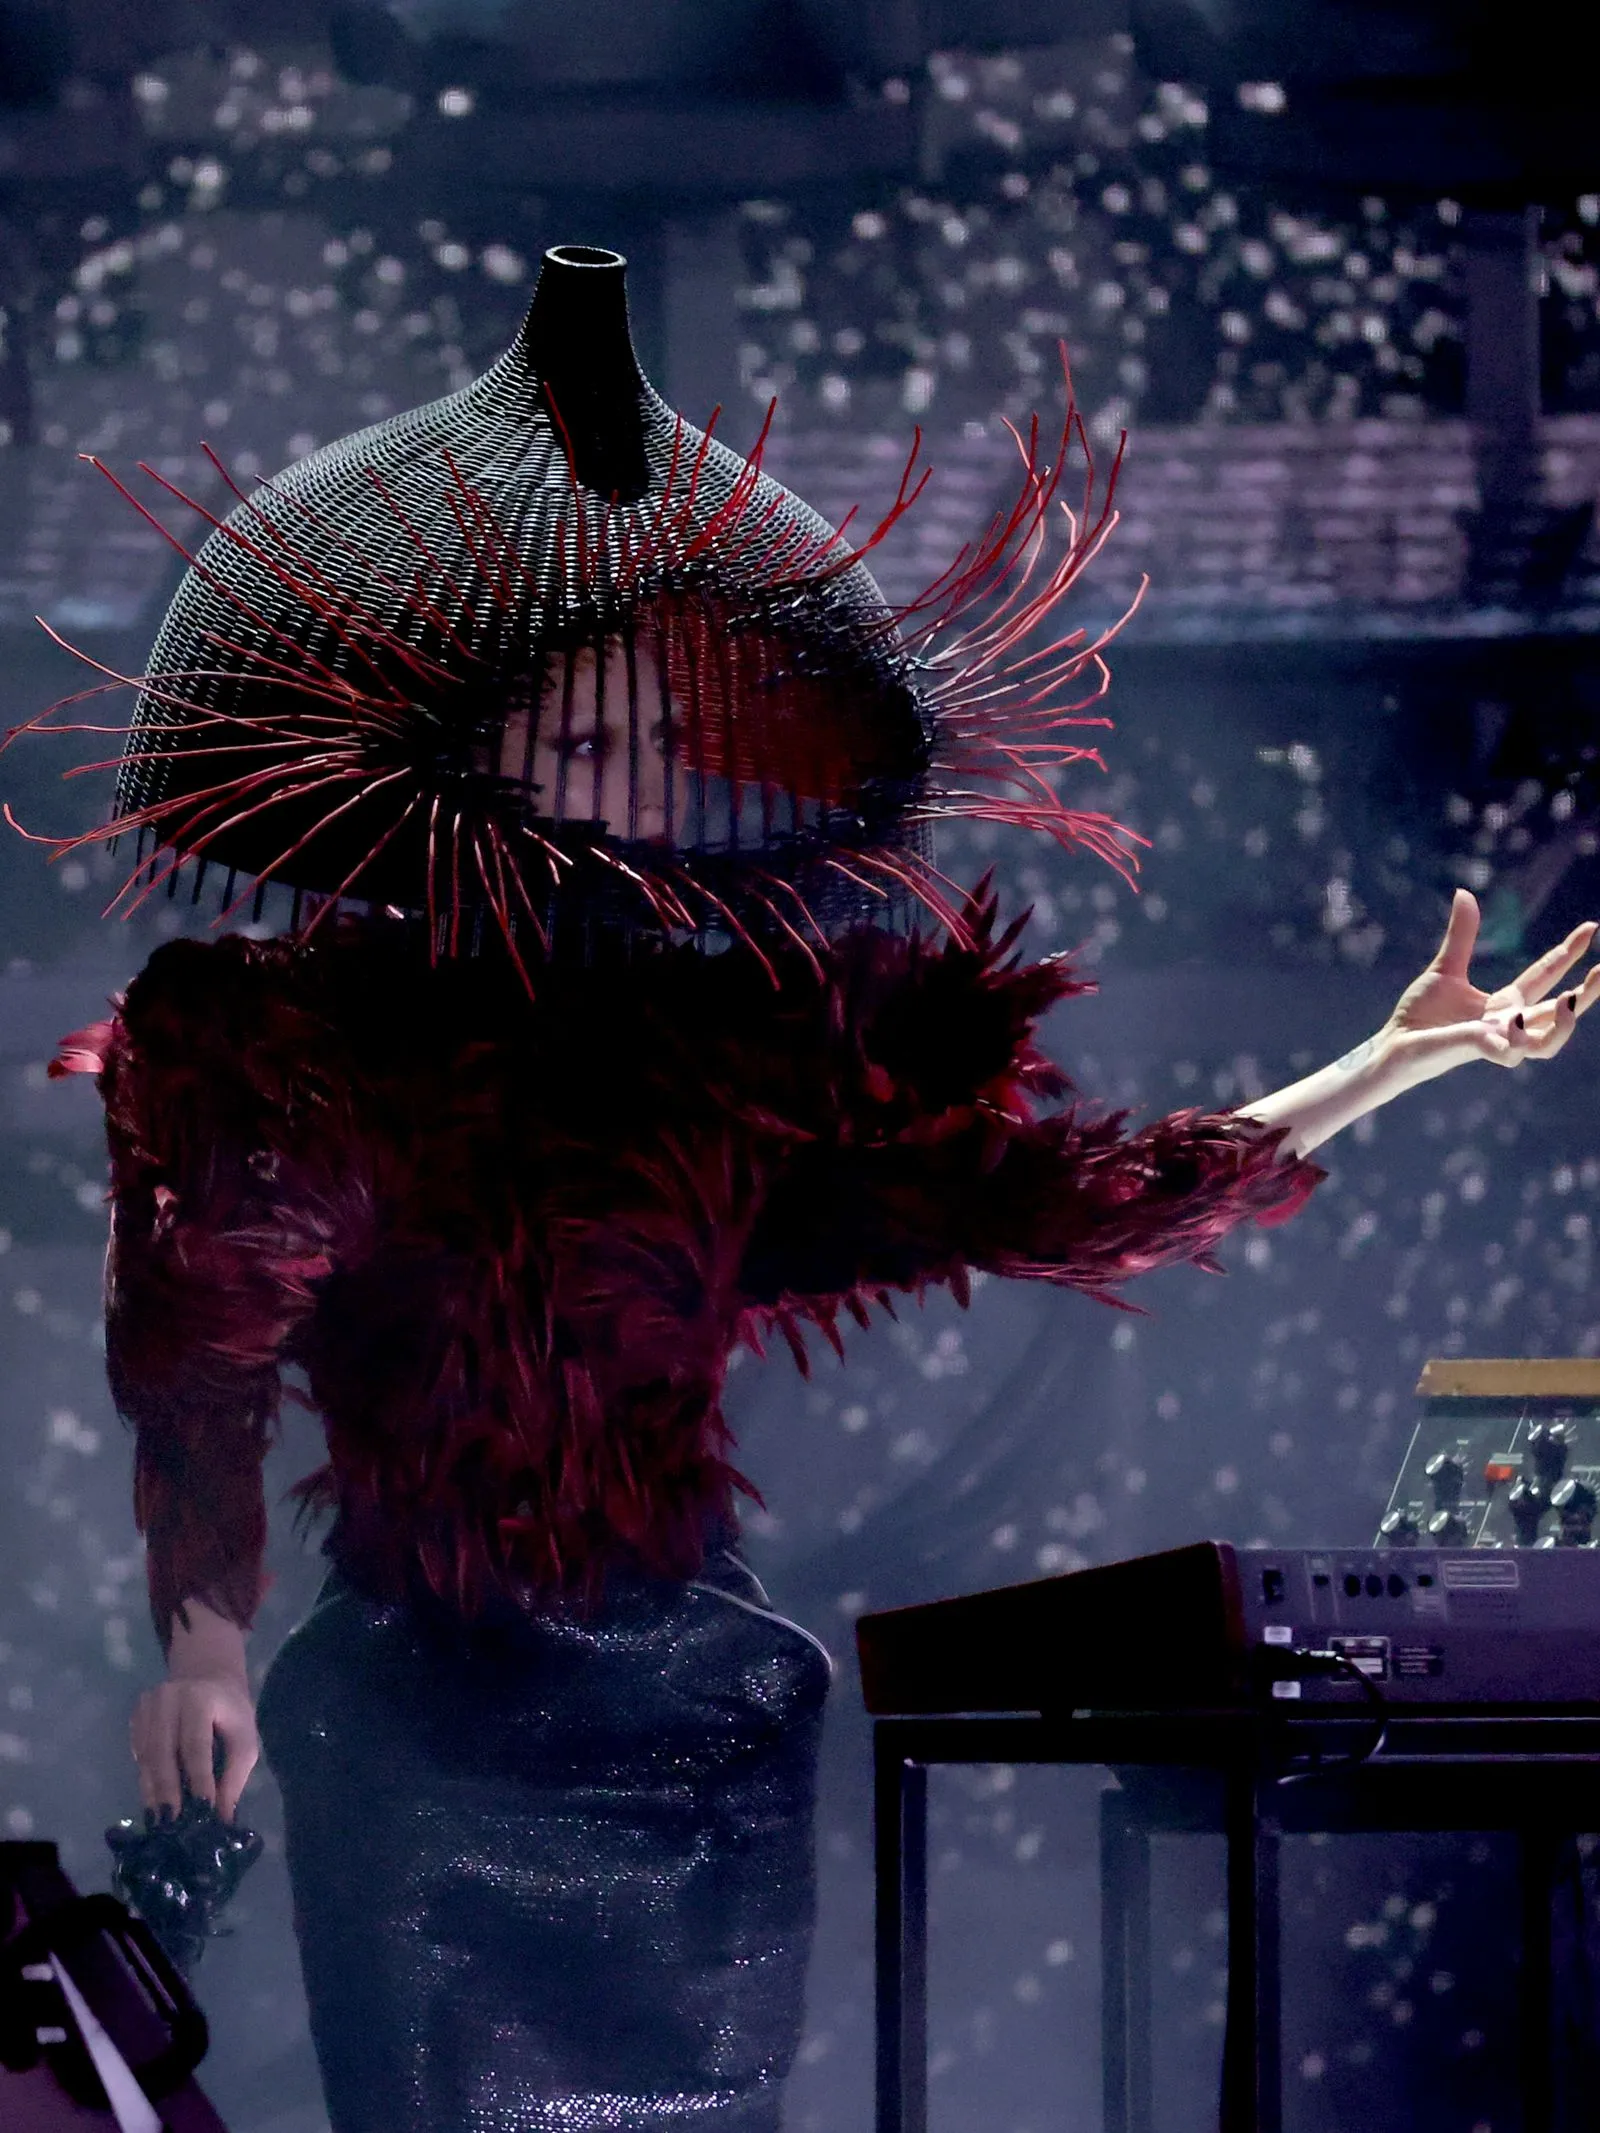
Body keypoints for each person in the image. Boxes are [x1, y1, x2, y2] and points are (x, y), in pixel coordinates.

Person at [25, 245, 1600, 2133]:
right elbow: (198, 1353)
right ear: (470, 748)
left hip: (701, 1726)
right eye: (577, 741)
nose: (622, 791)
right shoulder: (301, 1046)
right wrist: (202, 1639)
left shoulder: (739, 1057)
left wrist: (1397, 1058)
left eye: (652, 749)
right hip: (421, 1726)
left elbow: (1075, 1195)